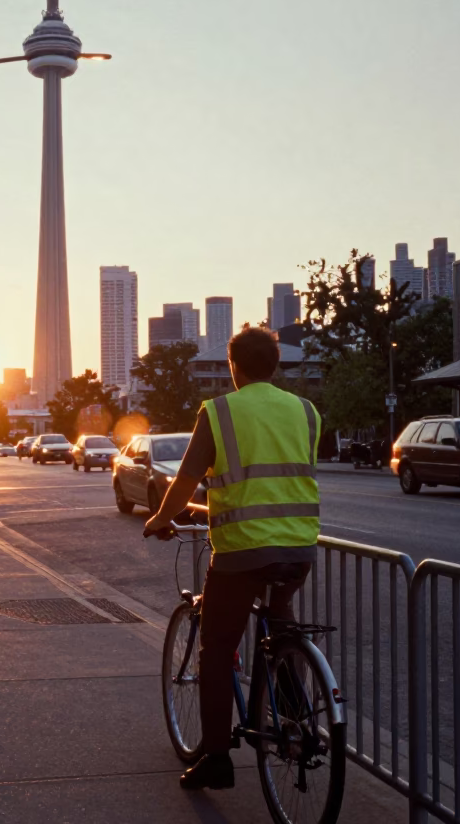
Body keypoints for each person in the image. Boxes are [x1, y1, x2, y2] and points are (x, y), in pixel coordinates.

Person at [143, 326, 321, 791]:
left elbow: (185, 481)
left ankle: (217, 759)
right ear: (276, 365)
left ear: (233, 367)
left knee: (217, 649)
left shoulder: (219, 411)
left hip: (242, 550)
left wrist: (161, 518)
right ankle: (292, 717)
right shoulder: (306, 411)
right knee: (281, 622)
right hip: (299, 547)